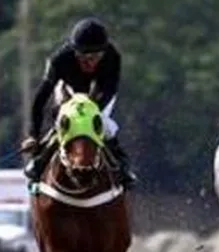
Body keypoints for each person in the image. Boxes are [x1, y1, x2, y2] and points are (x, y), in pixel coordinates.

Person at [20, 17, 136, 189]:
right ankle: (39, 163)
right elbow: (40, 99)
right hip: (69, 90)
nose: (89, 62)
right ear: (74, 51)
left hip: (99, 93)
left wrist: (91, 111)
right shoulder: (59, 60)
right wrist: (33, 135)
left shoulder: (113, 57)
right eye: (83, 56)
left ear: (103, 53)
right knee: (65, 123)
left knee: (103, 124)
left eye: (95, 57)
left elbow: (110, 89)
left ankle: (122, 165)